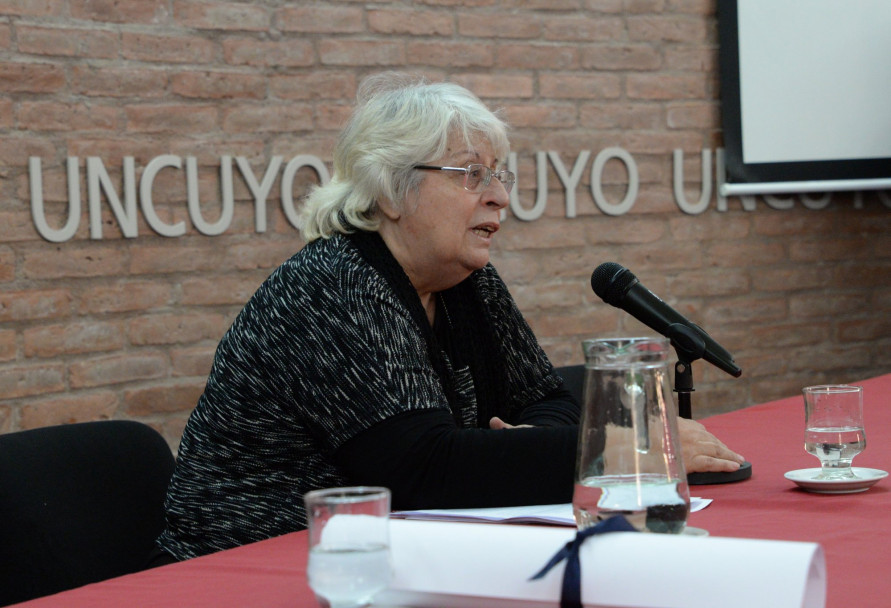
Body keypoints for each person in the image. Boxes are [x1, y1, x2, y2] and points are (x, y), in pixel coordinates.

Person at [155, 73, 744, 562]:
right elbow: (422, 471)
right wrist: (624, 452)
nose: (499, 197)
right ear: (390, 189)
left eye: (499, 175)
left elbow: (549, 398)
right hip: (250, 564)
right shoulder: (334, 285)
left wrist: (528, 445)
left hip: (386, 556)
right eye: (471, 174)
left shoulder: (467, 279)